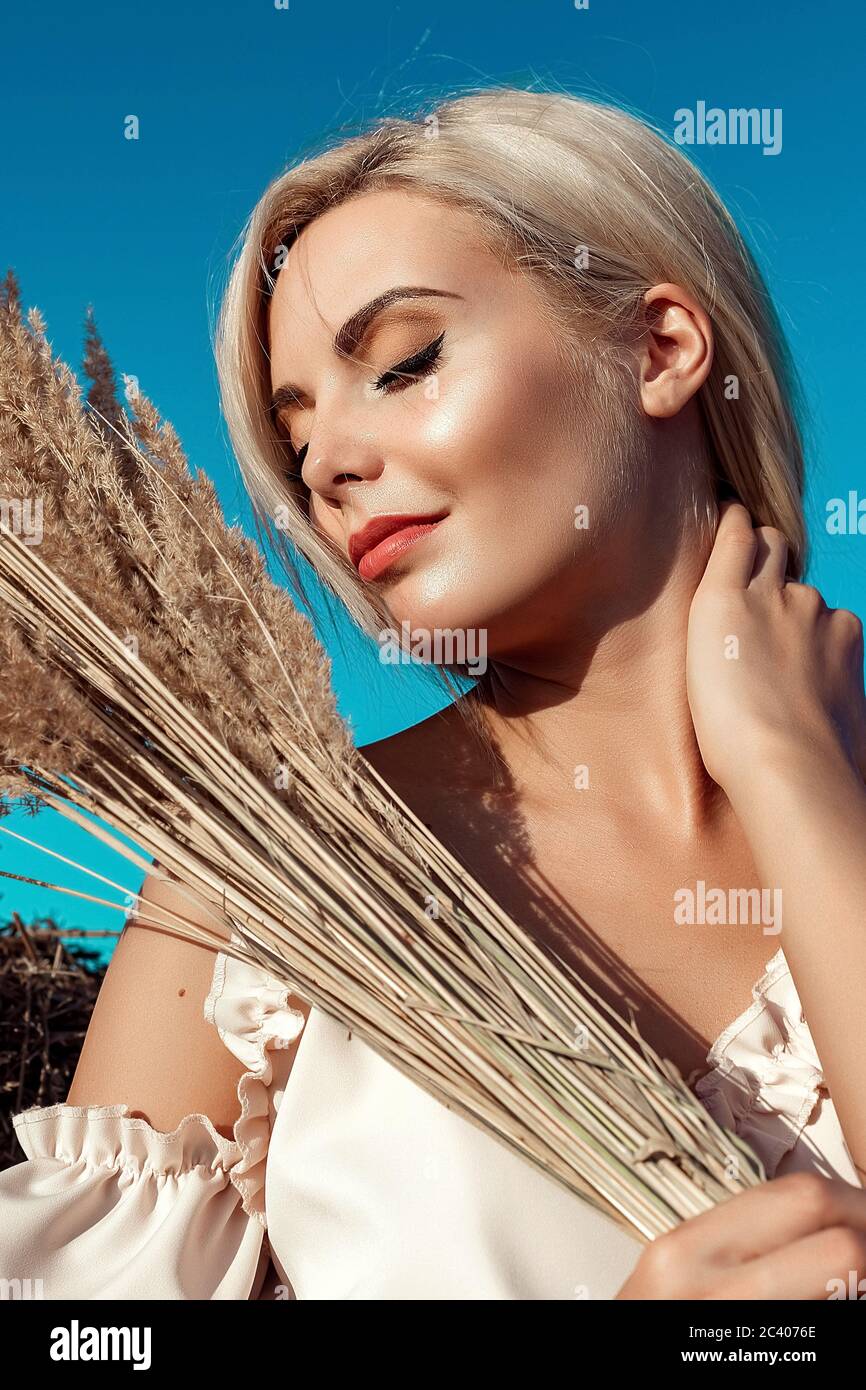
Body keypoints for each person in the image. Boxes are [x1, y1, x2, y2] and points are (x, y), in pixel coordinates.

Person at [3, 86, 866, 1300]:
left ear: (661, 348)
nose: (326, 466)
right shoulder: (266, 880)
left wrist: (795, 779)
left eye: (401, 363)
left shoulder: (832, 793)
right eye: (293, 433)